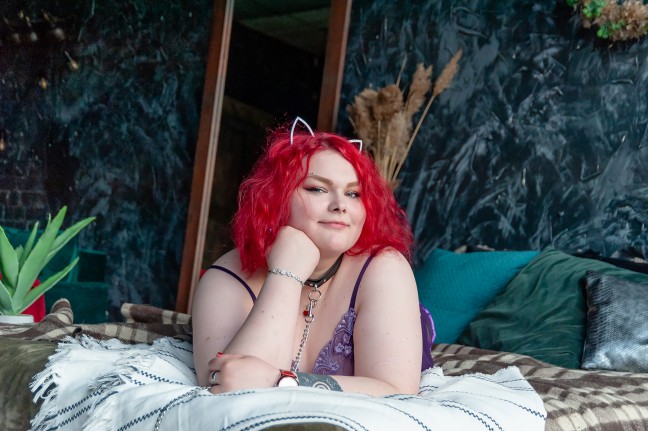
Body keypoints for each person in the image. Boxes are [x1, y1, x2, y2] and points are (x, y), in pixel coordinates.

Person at [192, 118, 434, 396]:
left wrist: (281, 381)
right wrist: (286, 274)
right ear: (276, 197)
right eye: (317, 188)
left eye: (353, 193)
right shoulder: (225, 278)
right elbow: (225, 393)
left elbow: (397, 390)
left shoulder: (383, 266)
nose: (340, 205)